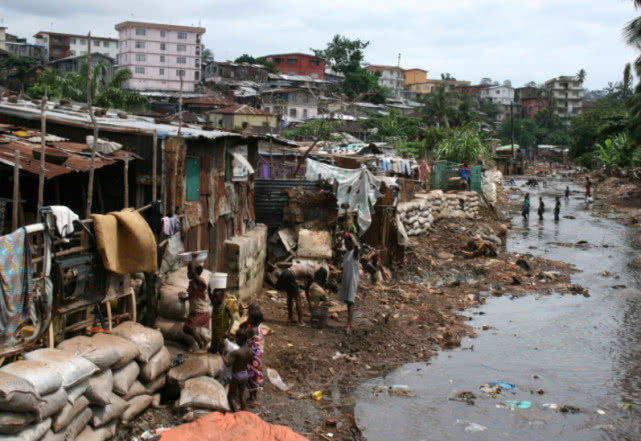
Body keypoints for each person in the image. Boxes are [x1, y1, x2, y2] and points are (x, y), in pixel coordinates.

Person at [183, 260, 211, 352]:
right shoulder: (192, 283)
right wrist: (184, 298)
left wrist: (192, 261)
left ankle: (202, 346)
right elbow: (193, 296)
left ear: (195, 272)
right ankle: (205, 340)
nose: (188, 273)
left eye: (189, 271)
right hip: (195, 310)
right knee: (185, 329)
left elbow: (195, 276)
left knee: (189, 328)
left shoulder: (200, 281)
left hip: (201, 310)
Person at [225, 328, 254, 411]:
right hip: (245, 375)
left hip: (236, 376)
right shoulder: (250, 350)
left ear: (239, 339)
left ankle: (236, 413)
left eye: (236, 339)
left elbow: (228, 364)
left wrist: (222, 355)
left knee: (231, 397)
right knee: (241, 395)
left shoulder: (236, 352)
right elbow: (251, 363)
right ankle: (243, 412)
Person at [241, 305, 264, 405]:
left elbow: (242, 334)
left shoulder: (250, 330)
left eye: (249, 317)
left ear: (253, 320)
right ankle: (254, 396)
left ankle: (252, 397)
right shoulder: (259, 329)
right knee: (255, 376)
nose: (247, 318)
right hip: (257, 357)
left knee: (250, 377)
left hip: (251, 357)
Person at [339, 233, 360, 334]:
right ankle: (350, 322)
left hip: (353, 279)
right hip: (346, 278)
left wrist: (352, 238)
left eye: (349, 243)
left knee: (350, 301)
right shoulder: (346, 252)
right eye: (346, 243)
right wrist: (341, 239)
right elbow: (335, 249)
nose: (347, 244)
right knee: (348, 301)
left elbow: (357, 246)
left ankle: (349, 324)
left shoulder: (355, 252)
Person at [209, 274, 233, 355]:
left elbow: (232, 318)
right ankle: (214, 349)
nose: (214, 298)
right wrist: (211, 282)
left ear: (222, 296)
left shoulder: (225, 307)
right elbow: (209, 293)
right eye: (214, 296)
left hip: (223, 331)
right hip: (215, 330)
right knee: (213, 346)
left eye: (216, 297)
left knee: (222, 348)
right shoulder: (215, 303)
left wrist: (228, 330)